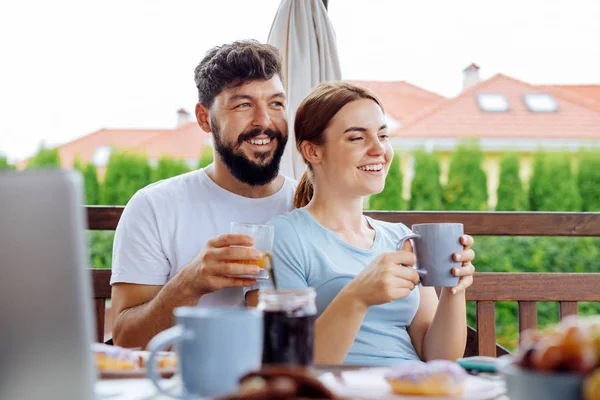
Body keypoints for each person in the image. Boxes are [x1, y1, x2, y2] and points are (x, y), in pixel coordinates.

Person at [247, 82, 476, 366]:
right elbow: (290, 363)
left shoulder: (401, 238)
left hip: (414, 387)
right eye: (357, 138)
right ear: (312, 151)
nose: (379, 148)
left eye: (383, 134)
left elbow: (439, 357)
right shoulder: (283, 237)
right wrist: (357, 297)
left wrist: (456, 289)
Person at [109, 40, 296, 349]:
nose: (264, 121)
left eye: (276, 103)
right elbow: (126, 340)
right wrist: (188, 285)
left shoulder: (312, 204)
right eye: (243, 105)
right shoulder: (155, 207)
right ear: (203, 118)